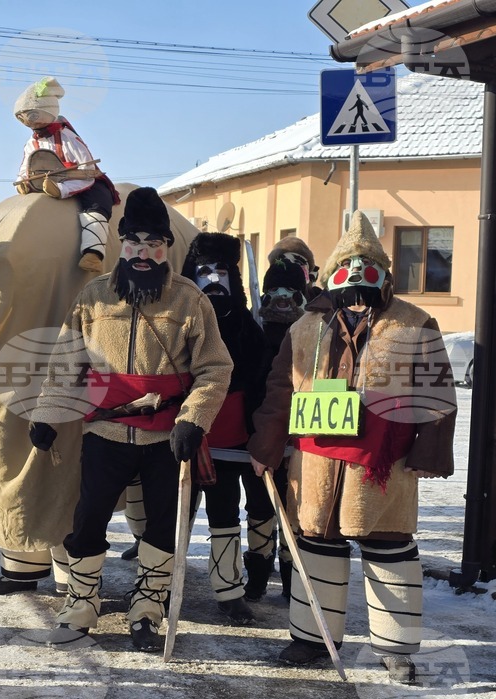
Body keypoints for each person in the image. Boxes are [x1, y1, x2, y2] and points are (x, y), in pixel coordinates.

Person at [248, 211, 457, 684]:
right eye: (349, 265)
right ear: (332, 275)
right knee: (317, 543)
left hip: (384, 463)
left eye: (368, 265)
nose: (358, 275)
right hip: (318, 461)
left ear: (383, 273)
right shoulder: (305, 327)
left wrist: (428, 453)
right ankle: (311, 637)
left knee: (389, 547)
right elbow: (280, 389)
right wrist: (267, 444)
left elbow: (438, 392)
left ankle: (397, 648)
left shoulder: (415, 322)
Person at [29, 187, 232, 652]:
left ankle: (148, 606)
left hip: (166, 436)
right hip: (105, 429)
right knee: (90, 517)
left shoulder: (189, 301)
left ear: (166, 248)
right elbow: (65, 362)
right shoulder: (94, 296)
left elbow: (215, 367)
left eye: (154, 243)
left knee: (161, 522)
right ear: (121, 245)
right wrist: (45, 414)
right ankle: (82, 602)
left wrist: (193, 419)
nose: (143, 252)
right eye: (134, 243)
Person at [181, 232, 271, 625]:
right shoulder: (179, 322)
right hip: (186, 439)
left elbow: (262, 385)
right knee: (174, 513)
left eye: (221, 271)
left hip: (234, 440)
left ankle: (230, 590)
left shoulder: (249, 330)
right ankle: (160, 583)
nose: (214, 280)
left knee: (225, 515)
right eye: (205, 272)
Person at [14, 76, 119, 274]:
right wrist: (23, 181)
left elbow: (86, 170)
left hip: (80, 181)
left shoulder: (68, 138)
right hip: (45, 182)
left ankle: (93, 253)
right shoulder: (31, 143)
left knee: (96, 206)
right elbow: (25, 166)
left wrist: (62, 187)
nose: (28, 121)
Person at [257, 257, 310, 599]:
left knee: (296, 508)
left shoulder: (312, 331)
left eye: (290, 290)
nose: (281, 297)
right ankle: (258, 573)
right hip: (261, 433)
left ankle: (293, 579)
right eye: (274, 289)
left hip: (302, 437)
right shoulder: (254, 331)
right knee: (261, 507)